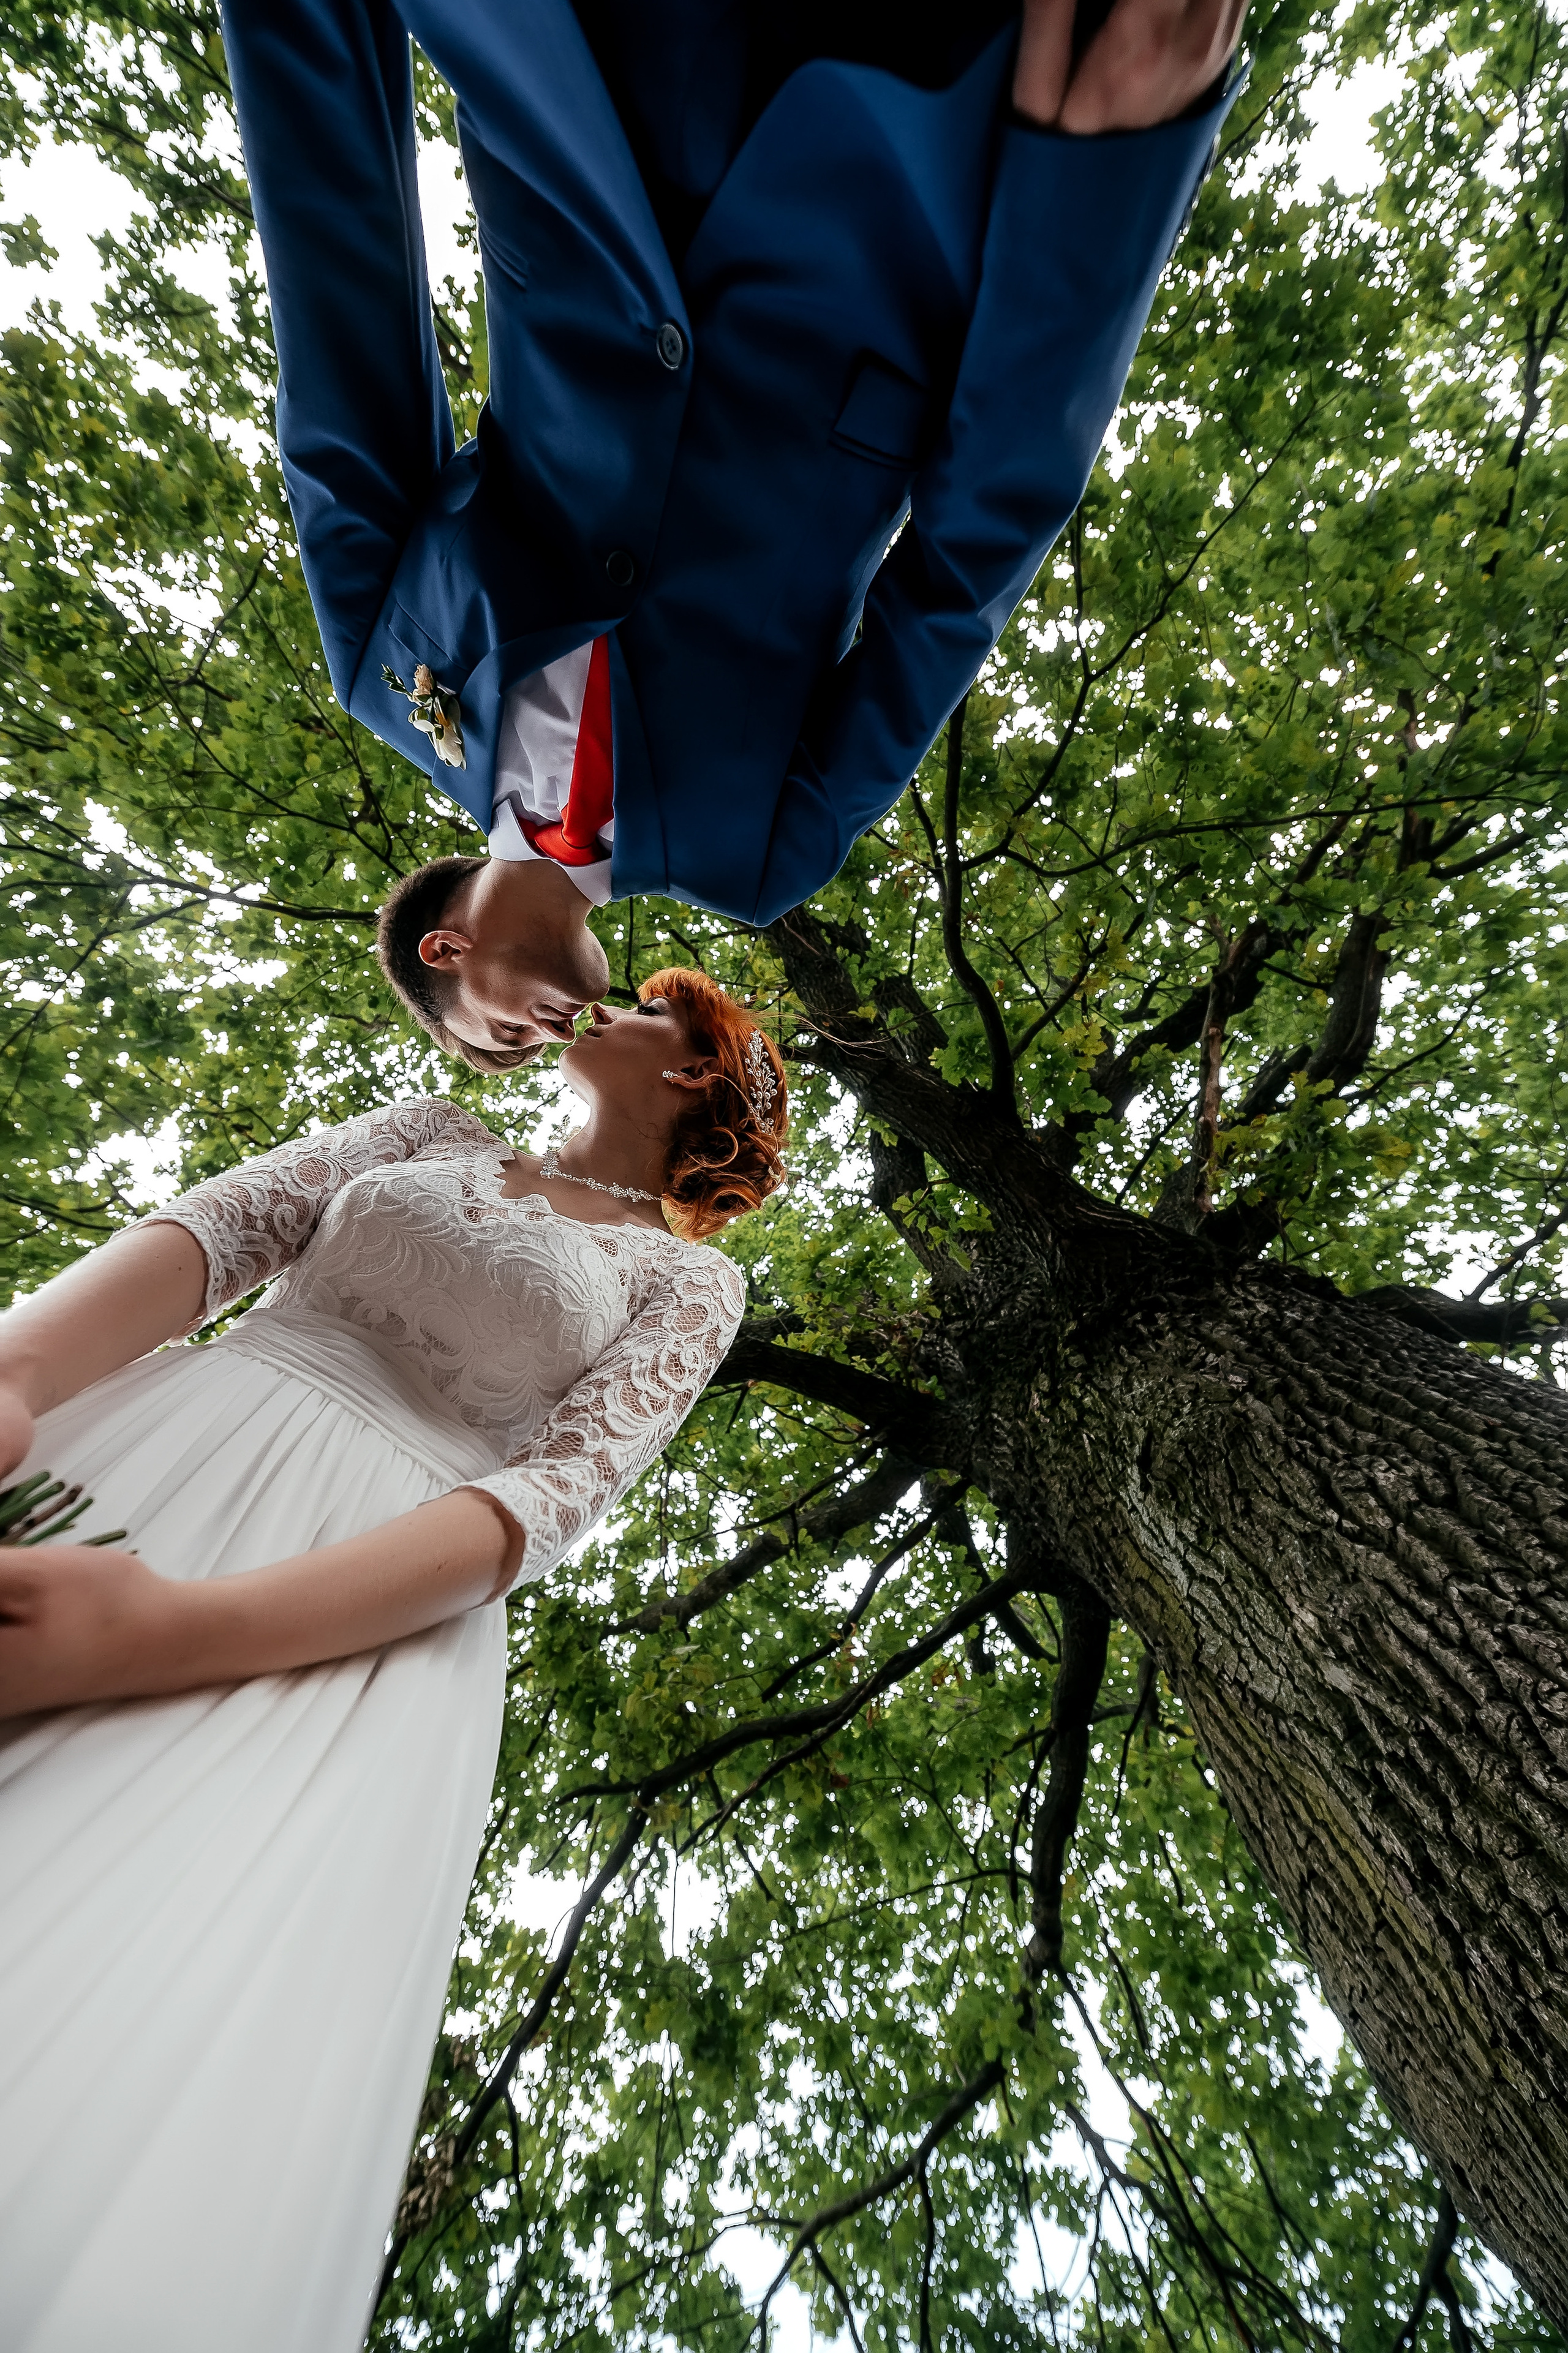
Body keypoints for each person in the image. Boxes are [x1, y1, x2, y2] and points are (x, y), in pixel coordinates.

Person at [0, 970, 785, 2351]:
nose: (601, 987)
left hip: (348, 1596)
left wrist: (165, 1632)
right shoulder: (428, 1126)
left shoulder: (690, 1277)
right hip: (168, 1437)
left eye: (655, 1005)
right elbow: (223, 1228)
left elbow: (552, 1499)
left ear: (693, 1074)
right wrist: (17, 1373)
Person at [221, 0, 1249, 1044]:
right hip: (902, 192)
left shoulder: (380, 677)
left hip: (604, 94)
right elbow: (957, 583)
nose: (557, 1036)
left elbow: (335, 283)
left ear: (447, 950)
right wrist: (1099, 193)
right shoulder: (759, 860)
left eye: (509, 1038)